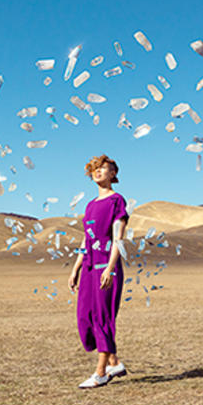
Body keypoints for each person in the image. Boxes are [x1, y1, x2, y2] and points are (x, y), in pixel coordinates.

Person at [68, 154, 129, 389]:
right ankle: (115, 362)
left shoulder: (117, 201)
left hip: (106, 267)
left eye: (103, 168)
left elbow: (118, 239)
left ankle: (101, 372)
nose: (98, 172)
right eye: (95, 169)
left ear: (113, 174)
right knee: (85, 318)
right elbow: (87, 238)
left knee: (103, 318)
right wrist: (76, 268)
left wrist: (111, 268)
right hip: (90, 268)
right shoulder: (90, 206)